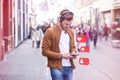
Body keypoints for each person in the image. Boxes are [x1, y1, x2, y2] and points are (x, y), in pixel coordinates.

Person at [42, 9, 77, 80]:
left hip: (69, 66)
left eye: (70, 24)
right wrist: (62, 55)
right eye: (66, 24)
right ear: (60, 20)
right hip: (56, 67)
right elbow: (44, 51)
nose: (68, 26)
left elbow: (73, 46)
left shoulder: (71, 32)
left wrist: (74, 52)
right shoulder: (50, 31)